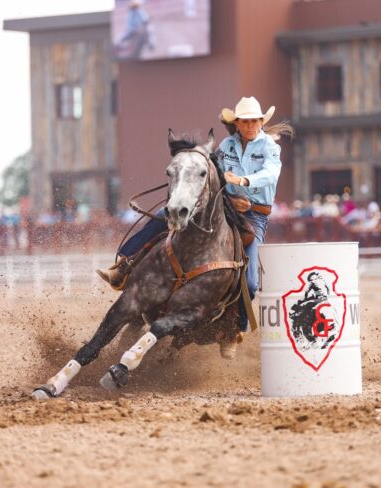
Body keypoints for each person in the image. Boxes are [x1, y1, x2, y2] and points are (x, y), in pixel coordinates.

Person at [97, 96, 290, 354]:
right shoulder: (226, 146)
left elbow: (270, 175)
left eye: (254, 121)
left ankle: (233, 328)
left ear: (260, 122)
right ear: (237, 123)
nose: (250, 125)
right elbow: (212, 174)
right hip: (224, 204)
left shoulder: (270, 147)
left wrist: (243, 182)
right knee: (163, 216)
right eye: (245, 121)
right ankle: (124, 265)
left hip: (255, 215)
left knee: (252, 281)